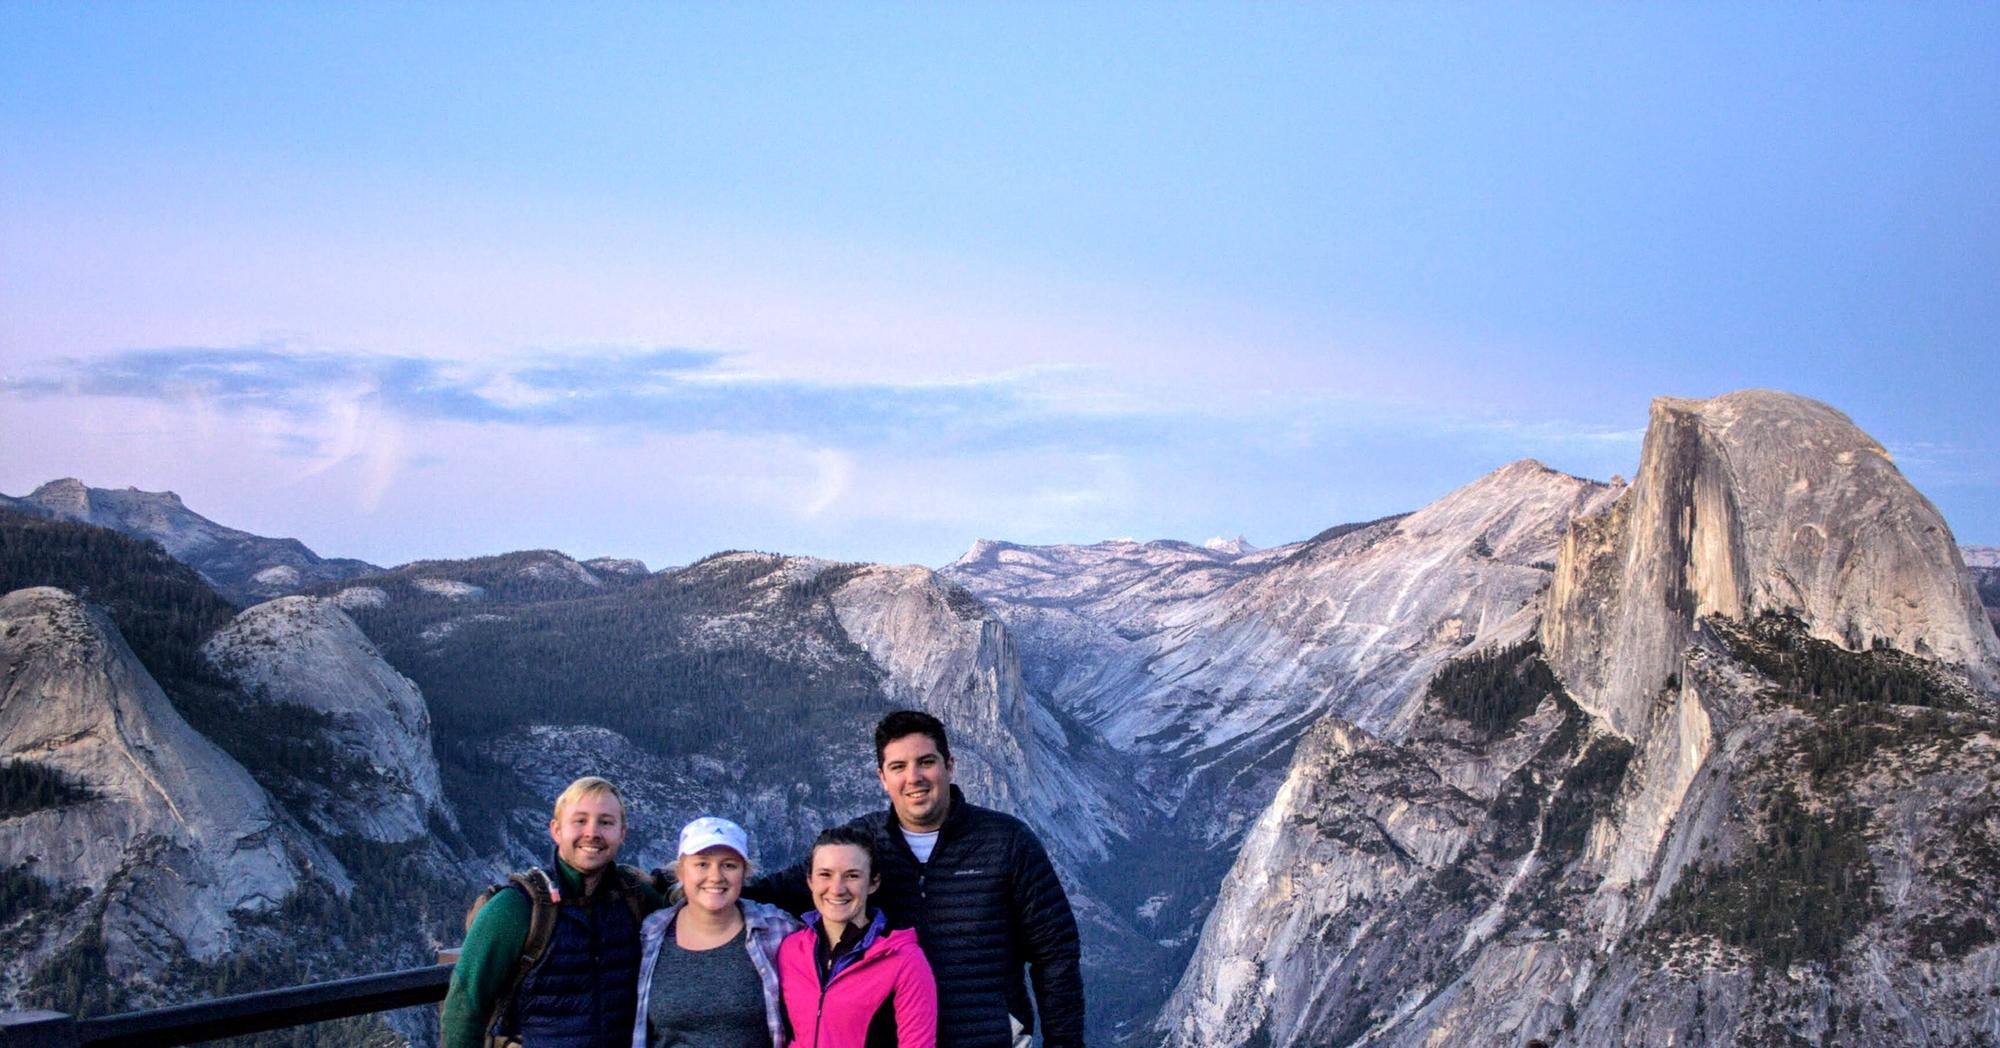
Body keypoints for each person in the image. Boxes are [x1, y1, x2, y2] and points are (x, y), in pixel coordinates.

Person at [749, 711, 1084, 1048]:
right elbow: (779, 890)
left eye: (926, 762)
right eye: (898, 767)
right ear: (882, 777)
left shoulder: (1007, 842)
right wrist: (716, 888)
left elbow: (1055, 953)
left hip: (989, 1038)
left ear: (949, 766)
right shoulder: (863, 844)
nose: (914, 778)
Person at [442, 776, 667, 1048]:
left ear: (622, 833)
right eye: (580, 821)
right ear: (556, 830)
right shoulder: (516, 907)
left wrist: (674, 877)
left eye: (606, 822)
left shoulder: (636, 898)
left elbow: (697, 910)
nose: (592, 832)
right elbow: (465, 1006)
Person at [632, 816, 799, 1048]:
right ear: (681, 872)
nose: (716, 876)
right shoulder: (651, 933)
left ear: (744, 873)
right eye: (702, 864)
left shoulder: (778, 931)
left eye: (729, 865)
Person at [776, 825, 937, 1048]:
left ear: (873, 883)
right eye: (825, 875)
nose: (837, 889)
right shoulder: (790, 950)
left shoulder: (905, 961)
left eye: (852, 876)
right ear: (810, 881)